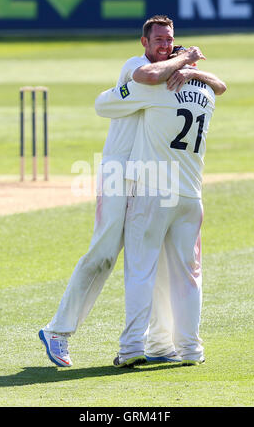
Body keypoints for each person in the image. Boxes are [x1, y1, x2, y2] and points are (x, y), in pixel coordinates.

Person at [39, 15, 226, 368]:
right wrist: (185, 61)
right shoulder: (137, 67)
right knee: (106, 253)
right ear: (145, 42)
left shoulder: (171, 76)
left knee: (154, 263)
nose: (164, 46)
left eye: (169, 40)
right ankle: (58, 331)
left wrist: (188, 70)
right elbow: (102, 105)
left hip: (151, 176)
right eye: (158, 40)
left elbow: (217, 84)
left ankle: (159, 342)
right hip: (118, 173)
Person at [95, 62, 217, 366]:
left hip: (152, 192)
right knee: (189, 277)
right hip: (191, 196)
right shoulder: (208, 94)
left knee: (140, 270)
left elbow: (104, 104)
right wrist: (193, 71)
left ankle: (132, 347)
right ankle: (191, 350)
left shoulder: (155, 89)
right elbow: (220, 83)